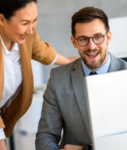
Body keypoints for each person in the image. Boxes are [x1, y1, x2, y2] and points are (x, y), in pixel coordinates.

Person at [36, 7, 127, 150]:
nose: (91, 46)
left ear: (108, 37)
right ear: (74, 41)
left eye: (98, 37)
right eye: (83, 39)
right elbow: (46, 135)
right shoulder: (58, 79)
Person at [0, 0, 78, 149]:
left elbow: (44, 52)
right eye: (24, 23)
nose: (30, 30)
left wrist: (69, 61)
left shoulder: (27, 36)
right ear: (2, 19)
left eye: (34, 20)